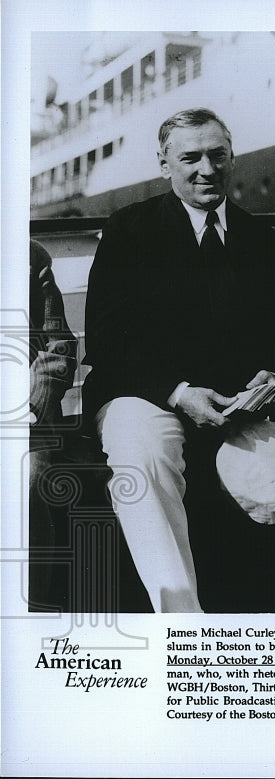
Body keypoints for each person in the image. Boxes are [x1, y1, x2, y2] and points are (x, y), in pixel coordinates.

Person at [83, 108, 275, 613]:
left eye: (218, 155)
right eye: (190, 158)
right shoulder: (128, 229)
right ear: (164, 164)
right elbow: (108, 340)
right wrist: (177, 392)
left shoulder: (258, 238)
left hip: (243, 396)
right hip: (149, 392)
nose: (207, 169)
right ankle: (181, 614)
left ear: (232, 156)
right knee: (143, 451)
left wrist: (270, 377)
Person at [28, 240, 78, 607]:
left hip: (28, 418)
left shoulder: (31, 259)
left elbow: (58, 349)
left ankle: (32, 609)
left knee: (30, 478)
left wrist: (31, 409)